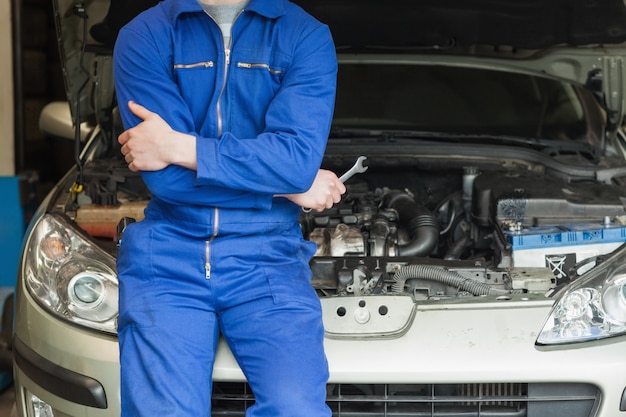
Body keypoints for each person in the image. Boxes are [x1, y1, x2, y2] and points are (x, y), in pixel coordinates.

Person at [112, 0, 345, 415]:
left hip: (268, 260)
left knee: (297, 409)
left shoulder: (303, 34)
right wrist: (286, 190)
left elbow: (294, 162)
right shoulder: (144, 35)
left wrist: (178, 146)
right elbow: (167, 180)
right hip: (167, 259)